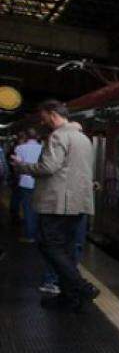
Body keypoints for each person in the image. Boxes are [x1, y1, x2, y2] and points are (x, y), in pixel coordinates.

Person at [9, 100, 98, 311]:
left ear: (52, 114)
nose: (42, 120)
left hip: (59, 202)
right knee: (65, 248)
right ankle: (70, 297)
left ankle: (81, 286)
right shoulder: (84, 138)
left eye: (43, 116)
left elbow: (49, 167)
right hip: (78, 202)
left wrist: (22, 167)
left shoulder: (58, 136)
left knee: (49, 245)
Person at [13, 129, 42, 243]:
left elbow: (16, 166)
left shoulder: (19, 148)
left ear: (26, 137)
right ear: (37, 137)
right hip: (40, 182)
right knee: (39, 208)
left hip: (25, 182)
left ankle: (30, 235)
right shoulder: (43, 148)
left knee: (28, 209)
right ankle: (40, 233)